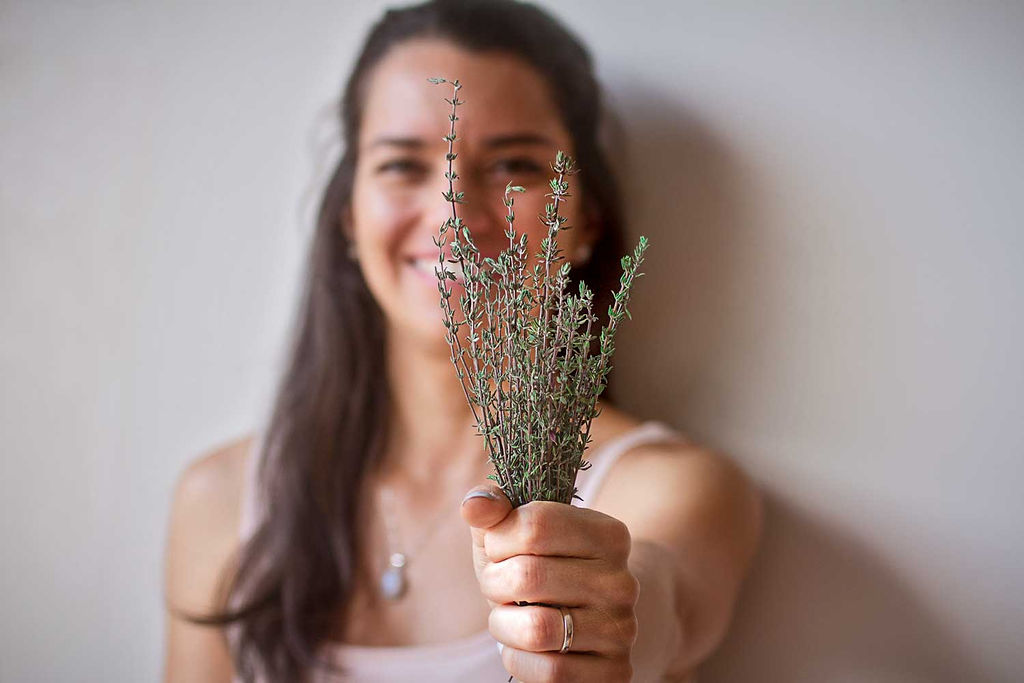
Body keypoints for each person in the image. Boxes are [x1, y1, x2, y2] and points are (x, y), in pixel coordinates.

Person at [163, 1, 763, 681]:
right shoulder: (223, 500)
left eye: (514, 164)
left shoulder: (668, 485)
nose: (454, 212)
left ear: (587, 218)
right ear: (349, 217)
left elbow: (665, 600)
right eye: (402, 165)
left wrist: (614, 621)